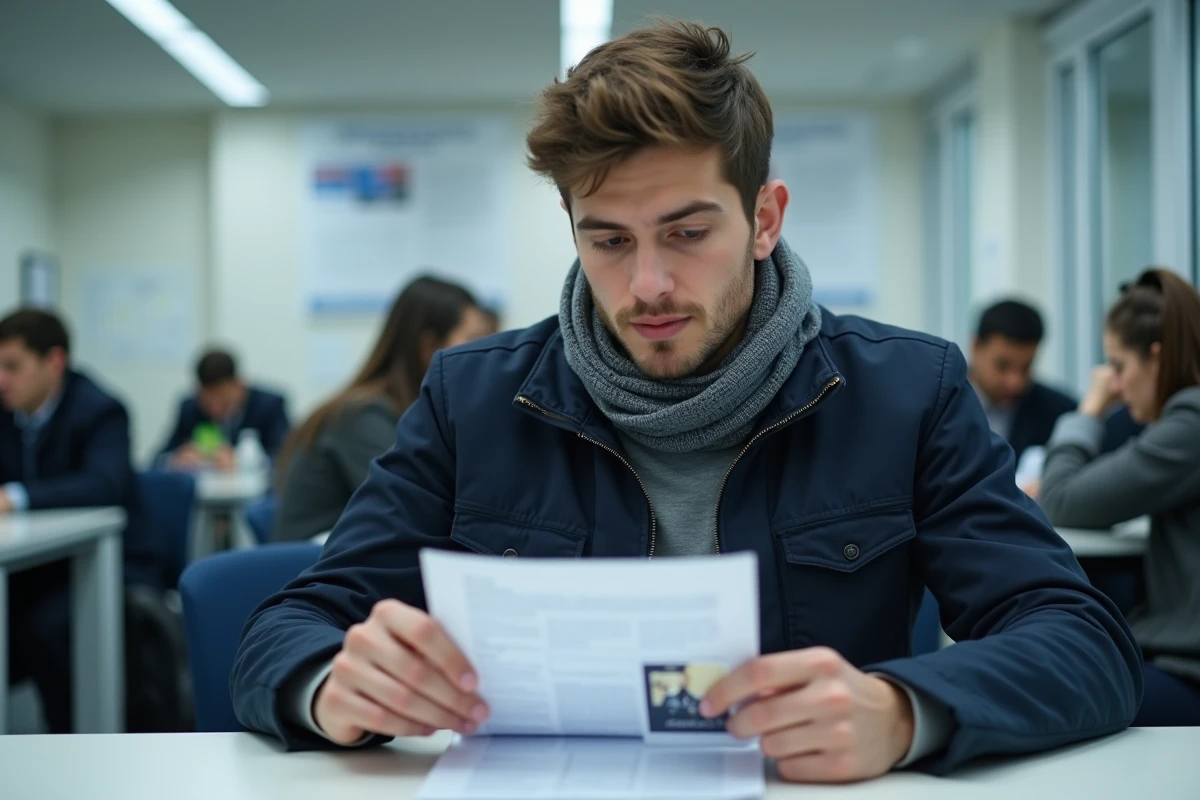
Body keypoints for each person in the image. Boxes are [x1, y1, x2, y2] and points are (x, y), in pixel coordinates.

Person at [231, 21, 1140, 782]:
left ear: (766, 218)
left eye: (688, 232)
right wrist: (328, 681)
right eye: (610, 240)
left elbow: (1082, 640)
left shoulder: (908, 392)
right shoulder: (472, 399)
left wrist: (905, 711)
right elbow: (287, 627)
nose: (648, 284)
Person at [1039, 268, 1200, 727]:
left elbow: (1061, 499)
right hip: (1173, 657)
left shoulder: (1190, 423)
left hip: (1188, 672)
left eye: (1118, 366)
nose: (1114, 383)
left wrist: (1088, 410)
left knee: (1045, 696)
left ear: (1157, 357)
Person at [0, 308, 161, 732]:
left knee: (42, 628)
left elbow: (102, 485)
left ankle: (70, 738)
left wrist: (16, 497)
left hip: (112, 564)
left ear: (54, 362)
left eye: (12, 366)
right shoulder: (6, 414)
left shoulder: (100, 409)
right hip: (37, 566)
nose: (2, 379)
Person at [273, 277, 490, 542]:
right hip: (313, 565)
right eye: (473, 338)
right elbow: (416, 507)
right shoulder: (363, 415)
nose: (486, 351)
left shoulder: (412, 410)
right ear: (429, 345)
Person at [158, 349, 290, 470]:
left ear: (239, 384)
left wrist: (243, 461)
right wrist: (176, 458)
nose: (215, 408)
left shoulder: (269, 405)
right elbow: (158, 458)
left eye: (222, 400)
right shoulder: (190, 408)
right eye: (207, 402)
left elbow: (285, 457)